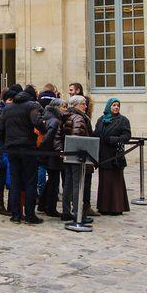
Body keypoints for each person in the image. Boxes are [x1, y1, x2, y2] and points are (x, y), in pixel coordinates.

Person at [0, 91, 45, 224]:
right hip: (27, 147)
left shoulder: (8, 108)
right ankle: (29, 214)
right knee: (30, 181)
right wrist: (43, 129)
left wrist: (6, 141)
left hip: (12, 147)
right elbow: (37, 122)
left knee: (15, 181)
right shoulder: (31, 106)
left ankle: (16, 214)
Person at [94, 97, 132, 215]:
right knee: (104, 180)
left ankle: (116, 207)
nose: (116, 107)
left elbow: (126, 136)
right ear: (109, 106)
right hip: (103, 154)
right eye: (114, 105)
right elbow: (96, 134)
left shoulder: (123, 120)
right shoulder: (101, 120)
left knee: (115, 181)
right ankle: (104, 206)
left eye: (117, 105)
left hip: (115, 155)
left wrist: (112, 139)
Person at [61, 95, 94, 224]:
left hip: (69, 153)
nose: (85, 106)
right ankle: (77, 213)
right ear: (76, 105)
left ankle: (66, 210)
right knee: (76, 184)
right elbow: (77, 137)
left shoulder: (68, 115)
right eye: (83, 104)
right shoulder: (79, 118)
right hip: (76, 155)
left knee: (68, 183)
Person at [38, 99, 67, 217]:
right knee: (54, 180)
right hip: (53, 154)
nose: (65, 109)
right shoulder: (55, 120)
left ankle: (42, 204)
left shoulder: (48, 117)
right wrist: (58, 151)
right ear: (57, 107)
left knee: (51, 180)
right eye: (63, 107)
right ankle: (50, 207)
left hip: (48, 153)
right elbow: (53, 138)